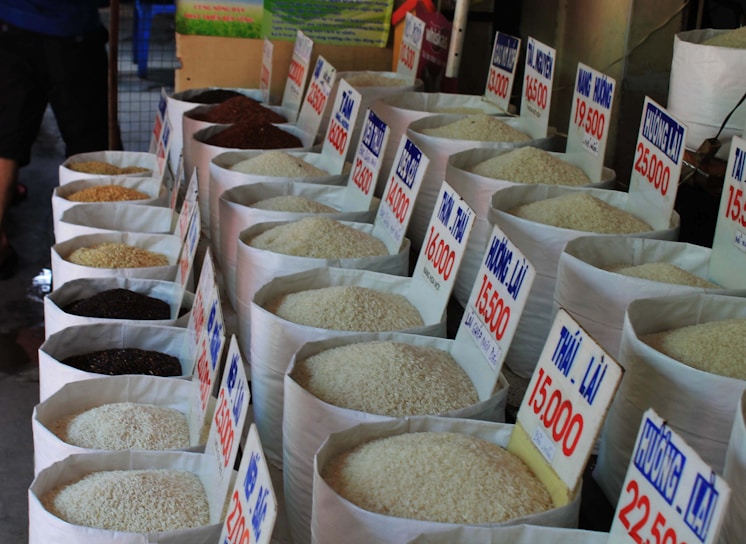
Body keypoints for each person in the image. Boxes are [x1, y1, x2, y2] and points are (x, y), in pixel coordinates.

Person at [0, 0, 111, 279]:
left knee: (5, 144)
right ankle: (94, 252)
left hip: (10, 26)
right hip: (71, 33)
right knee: (88, 148)